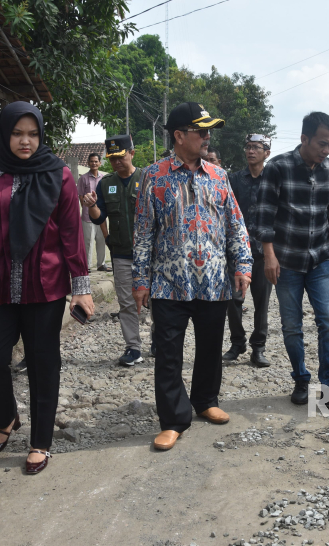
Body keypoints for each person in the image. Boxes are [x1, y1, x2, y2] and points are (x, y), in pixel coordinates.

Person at [0, 102, 94, 474]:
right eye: (16, 133)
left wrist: (82, 286)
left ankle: (40, 440)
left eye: (32, 134)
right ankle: (6, 416)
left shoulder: (59, 174)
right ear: (4, 134)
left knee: (43, 362)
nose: (25, 141)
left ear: (41, 136)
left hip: (45, 285)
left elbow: (72, 235)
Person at [132, 102, 252, 451]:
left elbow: (235, 224)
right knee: (168, 352)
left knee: (211, 346)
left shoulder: (218, 176)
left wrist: (242, 265)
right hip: (170, 281)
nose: (207, 136)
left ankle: (205, 399)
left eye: (208, 130)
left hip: (214, 280)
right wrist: (140, 281)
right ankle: (173, 419)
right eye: (201, 130)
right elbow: (142, 233)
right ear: (179, 135)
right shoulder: (154, 176)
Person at [257, 111, 329, 408]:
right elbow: (263, 216)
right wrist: (269, 256)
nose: (326, 150)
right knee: (291, 325)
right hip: (286, 261)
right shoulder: (278, 168)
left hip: (321, 258)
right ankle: (300, 378)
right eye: (322, 144)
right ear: (304, 139)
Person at [84, 135, 144, 367]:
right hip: (121, 253)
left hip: (150, 254)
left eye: (120, 156)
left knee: (158, 300)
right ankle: (133, 347)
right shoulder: (105, 183)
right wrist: (91, 206)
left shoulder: (146, 179)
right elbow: (99, 216)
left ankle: (159, 340)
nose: (117, 162)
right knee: (127, 302)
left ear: (132, 153)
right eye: (112, 158)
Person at [223, 134, 274, 367]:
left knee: (261, 302)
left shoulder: (273, 180)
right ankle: (237, 343)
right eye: (248, 147)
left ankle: (258, 347)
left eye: (257, 147)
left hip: (264, 252)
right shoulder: (234, 179)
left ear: (267, 153)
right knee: (233, 300)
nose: (251, 151)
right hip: (237, 252)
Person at [77, 152, 108, 272]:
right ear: (88, 163)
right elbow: (80, 196)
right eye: (92, 161)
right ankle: (87, 265)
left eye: (96, 161)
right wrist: (85, 208)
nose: (94, 163)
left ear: (100, 163)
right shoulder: (83, 178)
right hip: (87, 216)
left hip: (101, 215)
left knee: (102, 239)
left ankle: (101, 264)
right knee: (88, 241)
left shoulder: (104, 178)